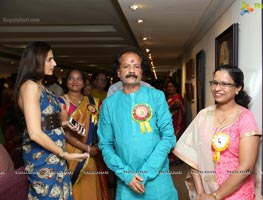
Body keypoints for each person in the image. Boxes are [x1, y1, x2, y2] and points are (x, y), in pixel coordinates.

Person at [97, 47, 178, 199]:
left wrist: (144, 173)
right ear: (118, 72)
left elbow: (168, 138)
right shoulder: (109, 104)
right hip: (127, 181)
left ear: (141, 72)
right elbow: (105, 145)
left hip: (158, 178)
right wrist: (126, 175)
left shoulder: (157, 96)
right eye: (126, 66)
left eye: (136, 66)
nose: (132, 70)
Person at [173, 65, 261, 200]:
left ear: (238, 88)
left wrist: (216, 196)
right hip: (207, 190)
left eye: (224, 84)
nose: (217, 88)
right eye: (214, 83)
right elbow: (193, 156)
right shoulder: (204, 115)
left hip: (237, 192)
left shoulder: (245, 118)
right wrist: (201, 192)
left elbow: (246, 166)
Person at [14, 41, 89, 200]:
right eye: (49, 59)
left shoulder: (42, 87)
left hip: (55, 153)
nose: (54, 63)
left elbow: (45, 123)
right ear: (36, 60)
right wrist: (65, 153)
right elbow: (34, 132)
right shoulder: (29, 87)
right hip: (43, 156)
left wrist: (68, 124)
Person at [58, 69, 110, 200]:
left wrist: (98, 145)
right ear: (66, 81)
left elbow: (104, 125)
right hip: (70, 153)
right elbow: (62, 131)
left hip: (91, 152)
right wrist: (86, 148)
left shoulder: (94, 102)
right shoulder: (61, 102)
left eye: (78, 79)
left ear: (84, 83)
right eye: (71, 78)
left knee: (90, 187)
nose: (75, 82)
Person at [166, 79, 186, 164]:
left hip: (177, 121)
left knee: (175, 139)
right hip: (169, 121)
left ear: (176, 88)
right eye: (168, 87)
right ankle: (172, 157)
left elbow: (182, 111)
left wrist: (178, 124)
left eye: (171, 86)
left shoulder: (178, 98)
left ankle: (175, 158)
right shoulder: (169, 97)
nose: (169, 88)